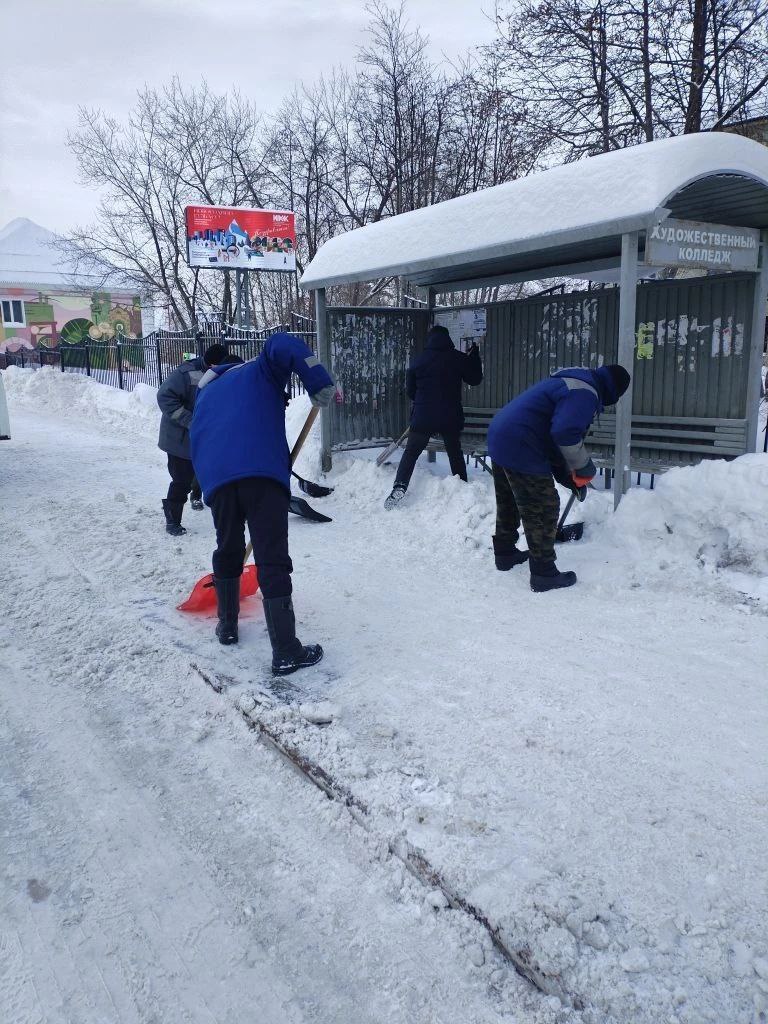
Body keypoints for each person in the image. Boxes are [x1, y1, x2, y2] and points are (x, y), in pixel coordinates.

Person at [190, 332, 335, 674]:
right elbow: (283, 342)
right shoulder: (258, 369)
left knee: (227, 547)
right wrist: (317, 379)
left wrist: (211, 483)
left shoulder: (207, 393)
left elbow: (197, 439)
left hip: (218, 479)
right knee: (271, 557)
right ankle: (285, 651)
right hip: (261, 475)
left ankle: (227, 627)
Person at [487, 364, 631, 592]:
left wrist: (565, 475)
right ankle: (544, 573)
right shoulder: (586, 392)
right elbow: (565, 433)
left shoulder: (573, 381)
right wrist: (583, 467)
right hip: (522, 442)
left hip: (501, 434)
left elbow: (553, 437)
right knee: (544, 506)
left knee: (510, 500)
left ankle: (505, 553)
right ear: (614, 391)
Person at [385, 325, 483, 508]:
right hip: (450, 417)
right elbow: (475, 379)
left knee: (411, 452)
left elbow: (410, 391)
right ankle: (462, 489)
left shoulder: (418, 361)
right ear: (448, 339)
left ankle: (400, 485)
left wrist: (423, 403)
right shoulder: (458, 358)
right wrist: (474, 355)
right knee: (455, 454)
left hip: (423, 417)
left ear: (429, 340)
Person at [157, 343, 228, 536]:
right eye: (216, 367)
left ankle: (203, 499)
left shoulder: (224, 372)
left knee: (214, 473)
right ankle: (173, 519)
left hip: (207, 436)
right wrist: (190, 421)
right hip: (180, 439)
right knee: (181, 479)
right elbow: (165, 397)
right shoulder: (185, 374)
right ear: (209, 363)